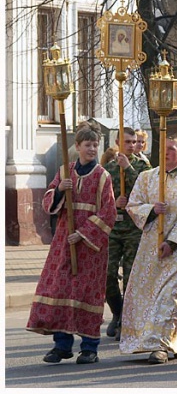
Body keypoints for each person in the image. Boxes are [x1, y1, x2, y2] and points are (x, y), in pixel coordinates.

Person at [27, 121, 116, 364]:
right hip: (64, 241)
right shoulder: (66, 171)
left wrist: (85, 233)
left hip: (90, 246)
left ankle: (89, 347)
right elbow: (48, 202)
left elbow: (108, 212)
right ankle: (62, 345)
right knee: (62, 288)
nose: (92, 149)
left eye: (95, 145)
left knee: (87, 293)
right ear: (77, 146)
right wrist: (58, 191)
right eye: (88, 145)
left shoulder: (102, 176)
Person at [120, 137, 177, 364]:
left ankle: (160, 346)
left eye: (172, 149)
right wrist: (151, 209)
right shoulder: (146, 177)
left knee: (171, 296)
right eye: (163, 149)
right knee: (149, 296)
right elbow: (133, 205)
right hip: (150, 247)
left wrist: (173, 242)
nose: (167, 153)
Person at [102, 127, 151, 341]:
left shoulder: (142, 166)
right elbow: (101, 197)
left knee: (130, 275)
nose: (131, 145)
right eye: (127, 142)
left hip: (133, 227)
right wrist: (114, 203)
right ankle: (117, 311)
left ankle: (128, 320)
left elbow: (145, 190)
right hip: (113, 227)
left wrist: (128, 168)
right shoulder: (108, 168)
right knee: (107, 274)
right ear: (117, 142)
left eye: (134, 141)